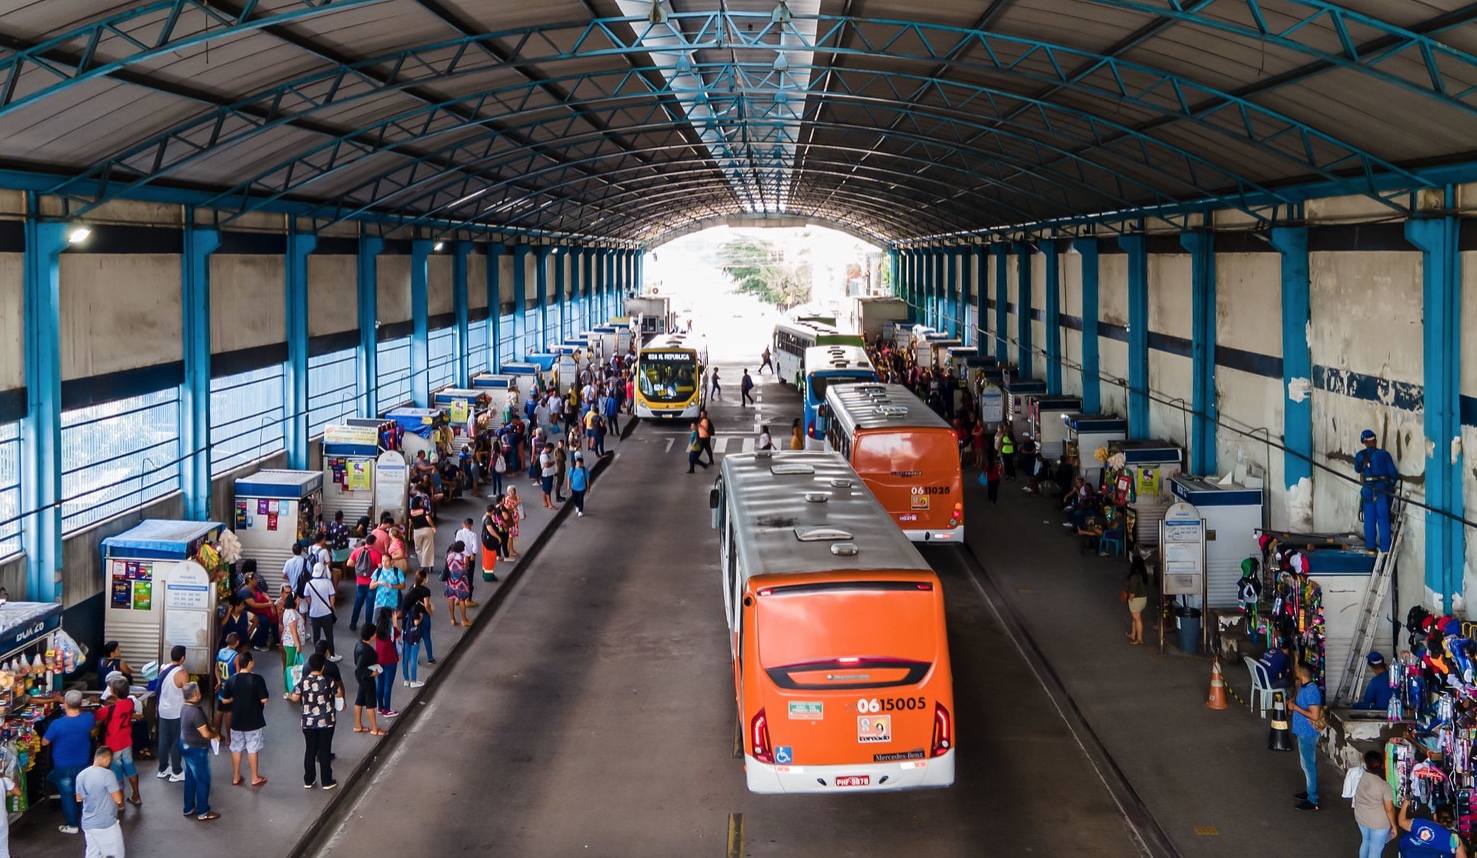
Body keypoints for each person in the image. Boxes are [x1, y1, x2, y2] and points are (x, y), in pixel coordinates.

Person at [42, 689, 94, 834]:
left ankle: (72, 825)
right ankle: (88, 820)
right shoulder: (89, 718)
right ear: (81, 703)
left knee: (67, 794)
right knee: (81, 792)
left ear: (64, 704)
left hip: (63, 766)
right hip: (83, 764)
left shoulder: (57, 724)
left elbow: (45, 742)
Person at [287, 653, 339, 790]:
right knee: (324, 750)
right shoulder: (328, 680)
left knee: (310, 750)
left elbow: (294, 698)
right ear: (322, 667)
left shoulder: (303, 681)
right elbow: (338, 693)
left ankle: (309, 780)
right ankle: (327, 781)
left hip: (308, 722)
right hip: (326, 721)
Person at [219, 650, 269, 788]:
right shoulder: (257, 679)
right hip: (253, 720)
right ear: (250, 663)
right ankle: (255, 778)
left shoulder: (231, 680)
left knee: (236, 748)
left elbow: (224, 700)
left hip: (236, 720)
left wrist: (233, 698)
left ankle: (236, 777)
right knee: (252, 749)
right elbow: (264, 698)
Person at [94, 677, 142, 808]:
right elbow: (117, 706)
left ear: (114, 693)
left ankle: (120, 803)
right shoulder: (130, 703)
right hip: (126, 741)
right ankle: (136, 796)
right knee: (130, 768)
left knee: (116, 771)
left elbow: (96, 715)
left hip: (113, 744)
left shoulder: (109, 710)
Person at [179, 681, 220, 820]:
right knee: (203, 779)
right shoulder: (195, 712)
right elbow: (206, 734)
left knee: (190, 777)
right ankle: (203, 811)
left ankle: (188, 808)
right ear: (196, 694)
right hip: (196, 749)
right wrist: (215, 735)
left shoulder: (184, 708)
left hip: (185, 744)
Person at [1353, 429, 1398, 552]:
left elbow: (1357, 469)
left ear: (1364, 443)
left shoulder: (1360, 456)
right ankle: (1385, 549)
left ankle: (1371, 547)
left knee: (1369, 519)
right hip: (1381, 490)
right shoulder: (1384, 455)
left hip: (1367, 489)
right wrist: (1391, 484)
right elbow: (1393, 474)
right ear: (1375, 440)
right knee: (1383, 519)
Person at [76, 746, 126, 857]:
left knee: (93, 853)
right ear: (107, 759)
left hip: (88, 823)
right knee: (115, 854)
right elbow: (118, 799)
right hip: (106, 823)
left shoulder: (81, 775)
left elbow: (79, 798)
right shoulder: (107, 775)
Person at [1288, 661, 1324, 811]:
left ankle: (1313, 799)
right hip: (1302, 732)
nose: (1294, 670)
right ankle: (1310, 791)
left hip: (1308, 733)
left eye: (1296, 669)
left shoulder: (1311, 691)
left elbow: (1315, 715)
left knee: (1309, 766)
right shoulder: (1303, 686)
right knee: (1306, 765)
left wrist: (1295, 707)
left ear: (1302, 673)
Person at [1353, 749, 1396, 858]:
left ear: (1366, 765)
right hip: (1379, 823)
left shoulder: (1359, 777)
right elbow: (1389, 809)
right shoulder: (1384, 786)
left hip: (1361, 817)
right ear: (1381, 765)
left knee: (1366, 841)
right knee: (1375, 849)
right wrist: (1394, 826)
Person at [154, 645, 189, 782]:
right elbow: (188, 694)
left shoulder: (163, 668)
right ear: (183, 658)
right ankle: (176, 771)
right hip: (176, 712)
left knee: (163, 740)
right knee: (176, 741)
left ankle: (163, 769)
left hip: (163, 710)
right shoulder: (182, 673)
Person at [1397, 798, 1467, 857]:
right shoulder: (1454, 839)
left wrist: (1405, 805)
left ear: (1435, 816)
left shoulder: (1421, 823)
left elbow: (1401, 822)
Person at [303, 563, 340, 662]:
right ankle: (332, 654)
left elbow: (307, 598)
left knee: (316, 635)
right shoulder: (328, 582)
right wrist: (332, 606)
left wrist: (312, 605)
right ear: (323, 572)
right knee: (329, 635)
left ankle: (317, 654)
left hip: (314, 614)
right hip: (326, 613)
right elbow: (332, 596)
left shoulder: (309, 584)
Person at [351, 624, 384, 736]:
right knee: (370, 703)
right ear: (371, 635)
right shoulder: (366, 651)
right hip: (366, 679)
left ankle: (357, 725)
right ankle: (375, 728)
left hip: (361, 678)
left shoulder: (359, 644)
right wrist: (371, 673)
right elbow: (360, 668)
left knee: (359, 700)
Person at [348, 534, 381, 630]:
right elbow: (380, 568)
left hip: (359, 582)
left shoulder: (357, 551)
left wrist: (359, 567)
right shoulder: (376, 553)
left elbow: (349, 563)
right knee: (369, 605)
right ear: (374, 542)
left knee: (358, 603)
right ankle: (368, 627)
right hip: (371, 583)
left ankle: (353, 624)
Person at [372, 608, 400, 718]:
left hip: (378, 659)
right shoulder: (392, 629)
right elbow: (398, 634)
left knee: (380, 683)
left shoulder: (377, 628)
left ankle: (380, 707)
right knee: (388, 685)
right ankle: (387, 709)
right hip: (390, 659)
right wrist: (395, 622)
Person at [281, 591, 306, 696]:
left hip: (288, 643)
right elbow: (293, 630)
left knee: (291, 665)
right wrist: (298, 644)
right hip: (291, 644)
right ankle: (288, 689)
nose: (299, 600)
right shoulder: (292, 614)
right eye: (297, 598)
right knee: (290, 666)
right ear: (294, 600)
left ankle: (292, 687)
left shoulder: (288, 611)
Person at [445, 540, 472, 626]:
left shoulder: (449, 556)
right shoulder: (464, 557)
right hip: (461, 582)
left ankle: (452, 619)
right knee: (461, 600)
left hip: (451, 580)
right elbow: (467, 567)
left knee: (451, 598)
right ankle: (464, 620)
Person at [1124, 555, 1149, 645]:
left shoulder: (1134, 576)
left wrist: (1129, 600)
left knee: (1137, 619)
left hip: (1136, 600)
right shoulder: (1143, 574)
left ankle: (1139, 639)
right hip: (1143, 598)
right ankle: (1133, 634)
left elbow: (1133, 592)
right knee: (1135, 618)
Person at [409, 490, 436, 569]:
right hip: (427, 529)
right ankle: (427, 564)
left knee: (418, 548)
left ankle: (423, 564)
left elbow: (410, 522)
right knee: (428, 548)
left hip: (417, 531)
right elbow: (428, 519)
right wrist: (433, 526)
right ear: (418, 502)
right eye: (421, 501)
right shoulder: (424, 510)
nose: (422, 502)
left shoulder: (411, 512)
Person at [569, 452, 590, 517]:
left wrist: (588, 487)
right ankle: (577, 506)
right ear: (576, 462)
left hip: (582, 488)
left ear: (582, 463)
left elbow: (587, 478)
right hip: (574, 487)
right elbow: (569, 477)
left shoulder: (584, 470)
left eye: (580, 463)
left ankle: (580, 510)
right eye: (578, 463)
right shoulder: (573, 469)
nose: (579, 464)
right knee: (575, 499)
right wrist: (568, 486)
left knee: (580, 499)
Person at [539, 442, 558, 509]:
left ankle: (545, 502)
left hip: (545, 474)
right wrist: (553, 463)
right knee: (548, 490)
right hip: (547, 474)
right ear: (547, 448)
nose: (551, 451)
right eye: (551, 449)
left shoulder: (544, 454)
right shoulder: (544, 456)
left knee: (544, 489)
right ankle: (550, 504)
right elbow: (546, 465)